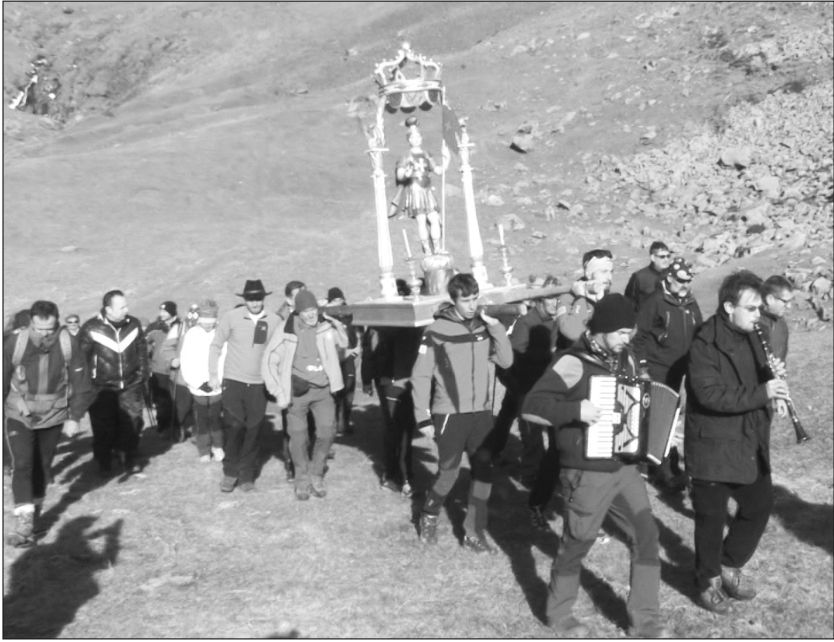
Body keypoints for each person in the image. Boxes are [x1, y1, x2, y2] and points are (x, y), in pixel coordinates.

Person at [522, 294, 670, 638]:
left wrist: (659, 434)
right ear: (601, 330)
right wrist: (575, 411)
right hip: (585, 472)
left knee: (646, 535)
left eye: (629, 332)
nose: (626, 338)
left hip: (624, 469)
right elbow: (532, 406)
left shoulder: (628, 357)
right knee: (577, 542)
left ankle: (644, 621)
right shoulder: (572, 361)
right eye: (619, 332)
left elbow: (637, 407)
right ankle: (558, 615)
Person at [685, 270, 790, 615]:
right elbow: (709, 394)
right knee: (711, 519)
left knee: (758, 507)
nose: (759, 314)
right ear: (729, 306)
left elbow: (758, 377)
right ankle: (707, 581)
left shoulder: (754, 332)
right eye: (752, 308)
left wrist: (772, 378)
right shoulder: (704, 342)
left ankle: (729, 565)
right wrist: (762, 391)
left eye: (760, 307)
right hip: (713, 444)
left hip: (748, 437)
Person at [412, 273, 513, 553]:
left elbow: (506, 360)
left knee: (484, 472)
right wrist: (422, 417)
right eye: (465, 300)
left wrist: (496, 329)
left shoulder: (484, 327)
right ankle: (429, 514)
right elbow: (419, 377)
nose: (471, 305)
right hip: (449, 414)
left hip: (481, 414)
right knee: (449, 474)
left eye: (474, 299)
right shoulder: (435, 331)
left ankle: (473, 531)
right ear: (453, 300)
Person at [3, 301, 95, 547]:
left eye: (49, 329)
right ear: (31, 322)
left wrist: (75, 417)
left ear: (57, 322)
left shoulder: (68, 343)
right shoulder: (16, 342)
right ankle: (24, 523)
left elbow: (82, 382)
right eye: (39, 328)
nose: (44, 334)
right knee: (22, 463)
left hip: (54, 415)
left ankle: (35, 513)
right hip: (19, 412)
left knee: (42, 466)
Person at [262, 289, 348, 501]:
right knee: (298, 437)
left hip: (324, 391)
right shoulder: (286, 330)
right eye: (306, 311)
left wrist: (336, 323)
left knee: (327, 432)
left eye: (313, 310)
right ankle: (302, 479)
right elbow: (268, 360)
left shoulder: (325, 326)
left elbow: (345, 343)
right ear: (297, 311)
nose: (310, 315)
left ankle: (316, 473)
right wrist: (279, 392)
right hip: (297, 393)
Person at [631, 258, 703, 492]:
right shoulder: (655, 301)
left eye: (688, 281)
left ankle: (667, 464)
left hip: (682, 371)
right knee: (659, 419)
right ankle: (659, 470)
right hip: (657, 369)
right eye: (681, 281)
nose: (685, 285)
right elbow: (638, 337)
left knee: (673, 419)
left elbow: (699, 332)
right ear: (669, 278)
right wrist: (642, 368)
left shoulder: (690, 302)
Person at [209, 280, 280, 493]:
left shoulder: (275, 320)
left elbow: (280, 350)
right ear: (244, 299)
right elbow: (216, 345)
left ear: (264, 298)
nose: (255, 302)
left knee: (254, 429)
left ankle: (247, 475)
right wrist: (213, 374)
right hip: (233, 381)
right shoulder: (231, 317)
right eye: (250, 298)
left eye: (258, 298)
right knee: (235, 426)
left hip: (259, 384)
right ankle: (230, 473)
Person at [78, 290, 150, 476]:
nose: (127, 309)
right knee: (103, 426)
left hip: (130, 383)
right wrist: (87, 386)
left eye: (126, 305)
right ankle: (104, 461)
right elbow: (81, 360)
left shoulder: (133, 324)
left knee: (132, 422)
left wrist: (142, 373)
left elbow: (141, 349)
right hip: (102, 387)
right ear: (108, 309)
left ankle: (129, 458)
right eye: (122, 307)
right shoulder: (91, 328)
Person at [361, 325, 423, 497]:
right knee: (397, 431)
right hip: (392, 383)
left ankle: (401, 475)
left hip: (410, 382)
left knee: (405, 430)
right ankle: (395, 477)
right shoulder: (379, 328)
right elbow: (369, 353)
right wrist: (367, 378)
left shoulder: (417, 325)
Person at [391, 116, 451, 255]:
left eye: (418, 136)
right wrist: (406, 173)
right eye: (413, 137)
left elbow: (438, 171)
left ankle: (437, 247)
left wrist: (446, 159)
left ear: (421, 138)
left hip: (427, 190)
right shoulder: (405, 155)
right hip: (415, 190)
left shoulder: (426, 154)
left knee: (434, 219)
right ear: (409, 140)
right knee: (421, 220)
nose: (416, 139)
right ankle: (427, 250)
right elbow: (399, 175)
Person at [180, 299, 225, 463]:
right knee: (201, 418)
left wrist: (217, 380)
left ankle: (218, 445)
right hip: (197, 386)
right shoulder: (191, 335)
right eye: (204, 322)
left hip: (216, 385)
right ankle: (204, 449)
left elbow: (224, 360)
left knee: (215, 416)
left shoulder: (220, 335)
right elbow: (186, 361)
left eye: (211, 322)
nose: (208, 325)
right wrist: (196, 382)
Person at [554, 249, 614, 351]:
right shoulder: (568, 298)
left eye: (611, 272)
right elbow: (572, 332)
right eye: (604, 271)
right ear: (589, 274)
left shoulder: (610, 299)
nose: (609, 277)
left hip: (602, 359)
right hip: (574, 358)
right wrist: (580, 298)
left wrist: (601, 303)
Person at [325, 287, 360, 436]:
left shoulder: (350, 316)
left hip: (348, 359)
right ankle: (332, 425)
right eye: (334, 300)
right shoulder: (324, 318)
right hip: (332, 361)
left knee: (348, 393)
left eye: (340, 299)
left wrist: (354, 355)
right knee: (333, 394)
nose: (338, 303)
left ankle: (343, 423)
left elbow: (357, 338)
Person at [163, 303, 197, 443]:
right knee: (182, 406)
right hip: (182, 376)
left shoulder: (212, 328)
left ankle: (200, 433)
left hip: (202, 375)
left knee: (200, 406)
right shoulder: (179, 328)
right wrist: (172, 359)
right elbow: (166, 348)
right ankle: (179, 430)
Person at [144, 302, 175, 437]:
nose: (162, 314)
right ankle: (163, 427)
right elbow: (144, 344)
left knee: (175, 400)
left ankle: (175, 426)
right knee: (162, 401)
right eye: (161, 311)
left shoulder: (179, 327)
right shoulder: (155, 328)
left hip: (176, 370)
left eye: (165, 311)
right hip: (159, 371)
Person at [625, 242, 673, 311]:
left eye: (668, 256)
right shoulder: (639, 277)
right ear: (653, 257)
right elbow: (629, 302)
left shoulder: (672, 277)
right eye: (662, 257)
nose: (666, 260)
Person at [758, 275, 794, 364]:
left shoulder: (780, 321)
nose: (789, 306)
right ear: (770, 299)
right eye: (785, 302)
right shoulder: (755, 325)